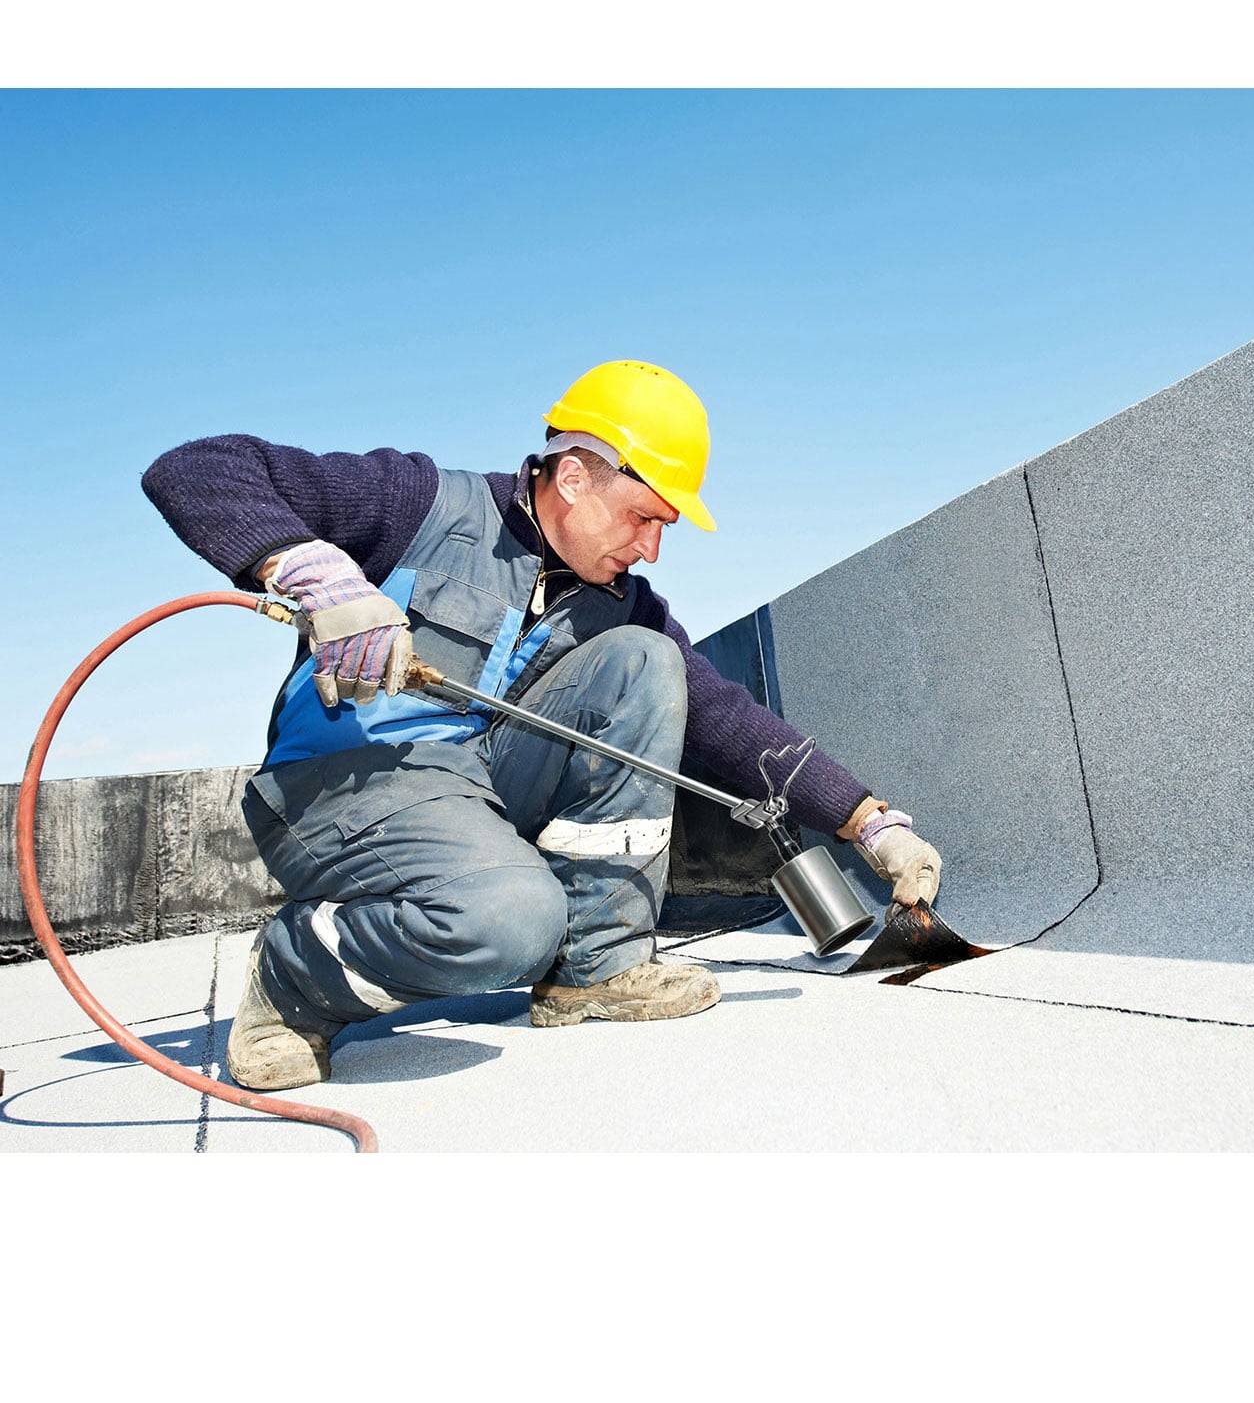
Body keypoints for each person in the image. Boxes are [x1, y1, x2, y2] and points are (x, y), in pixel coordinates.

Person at [141, 360, 942, 1090]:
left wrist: (870, 825)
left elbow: (727, 719)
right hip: (343, 783)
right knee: (511, 923)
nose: (653, 549)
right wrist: (316, 574)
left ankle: (596, 968)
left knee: (645, 663)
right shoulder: (422, 503)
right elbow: (196, 470)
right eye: (643, 517)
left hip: (474, 786)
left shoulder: (619, 602)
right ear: (573, 477)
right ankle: (292, 974)